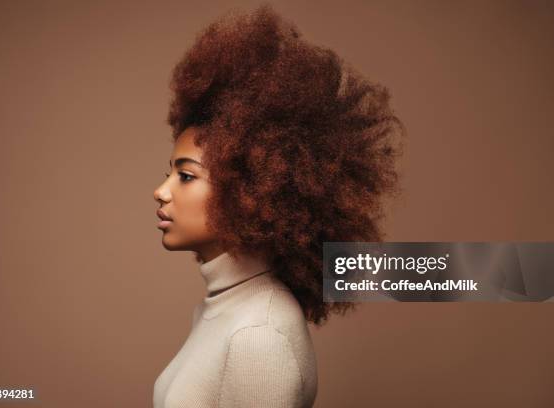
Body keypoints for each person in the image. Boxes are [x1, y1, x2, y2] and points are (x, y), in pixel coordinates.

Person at [152, 4, 404, 407]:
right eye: (169, 173)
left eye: (185, 176)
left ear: (249, 188)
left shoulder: (259, 336)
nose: (161, 192)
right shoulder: (224, 312)